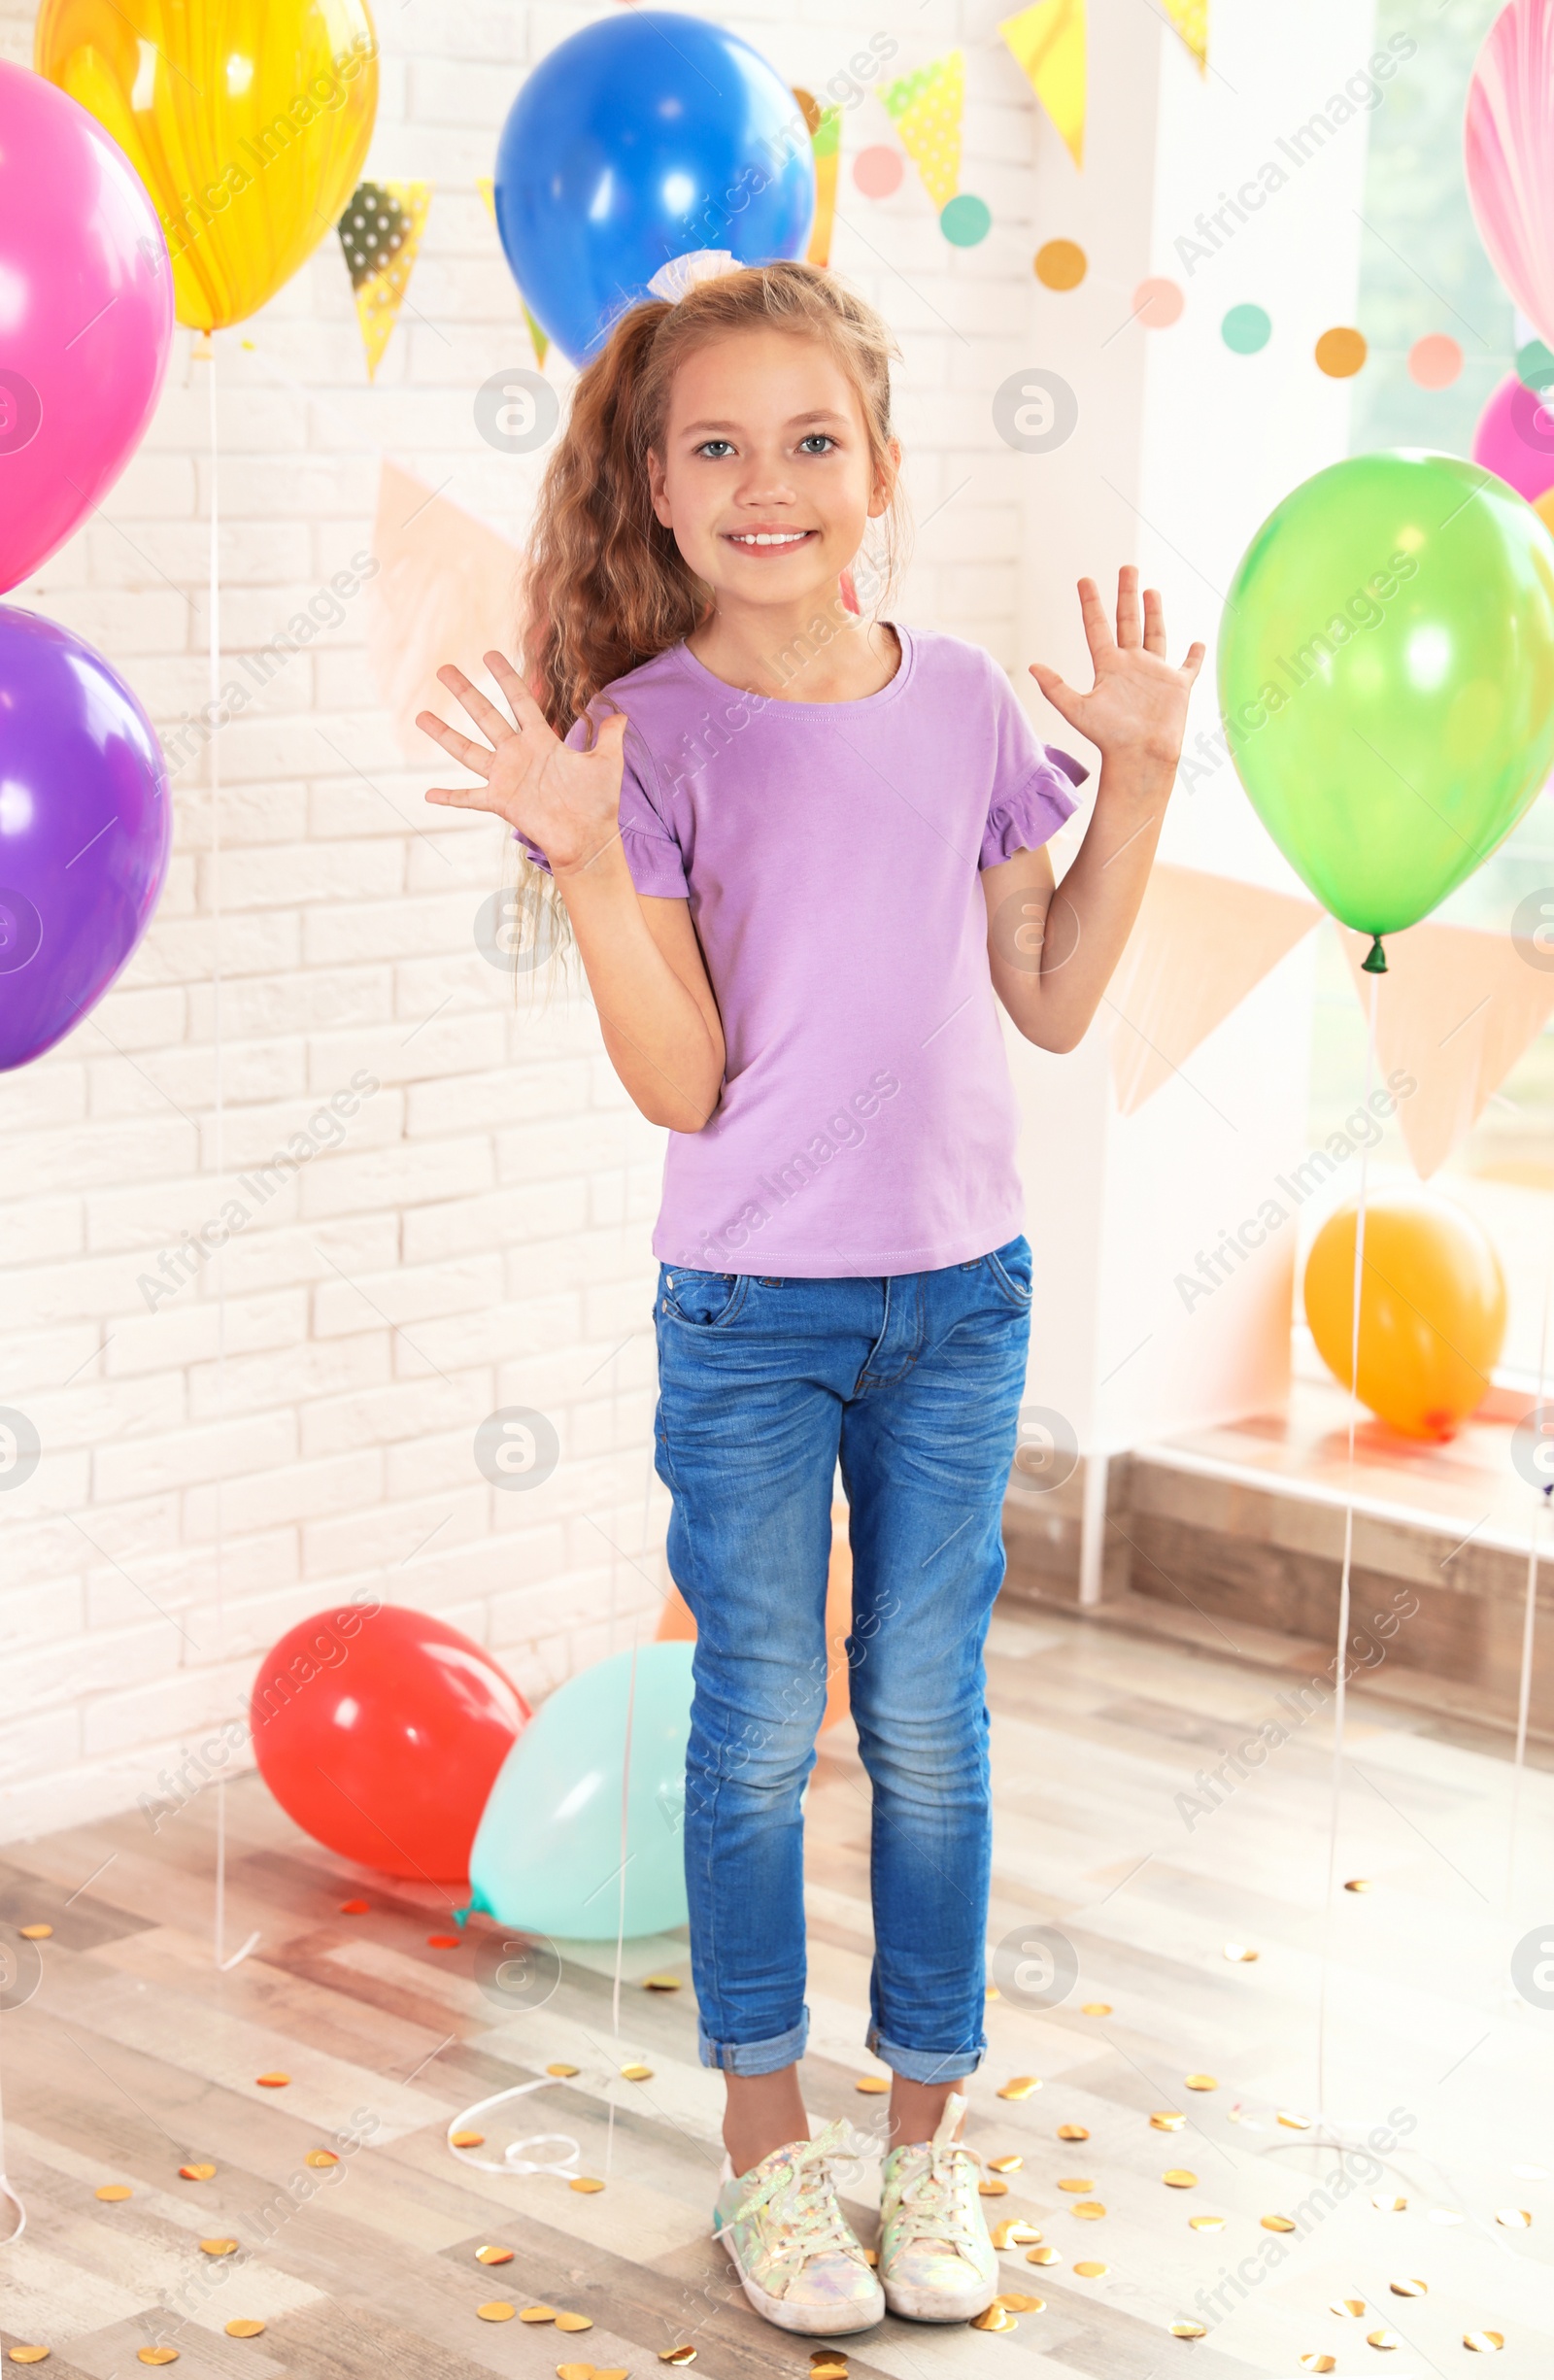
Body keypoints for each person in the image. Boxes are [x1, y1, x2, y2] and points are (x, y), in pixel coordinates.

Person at [418, 257, 1202, 2337]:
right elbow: (679, 1079)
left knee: (923, 1729)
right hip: (751, 1314)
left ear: (877, 470)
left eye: (810, 439)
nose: (767, 480)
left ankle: (926, 2149)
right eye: (715, 446)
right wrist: (586, 865)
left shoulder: (953, 703)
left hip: (959, 1298)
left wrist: (1133, 780)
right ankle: (770, 2158)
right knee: (757, 1725)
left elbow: (1044, 999)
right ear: (655, 495)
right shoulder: (637, 740)